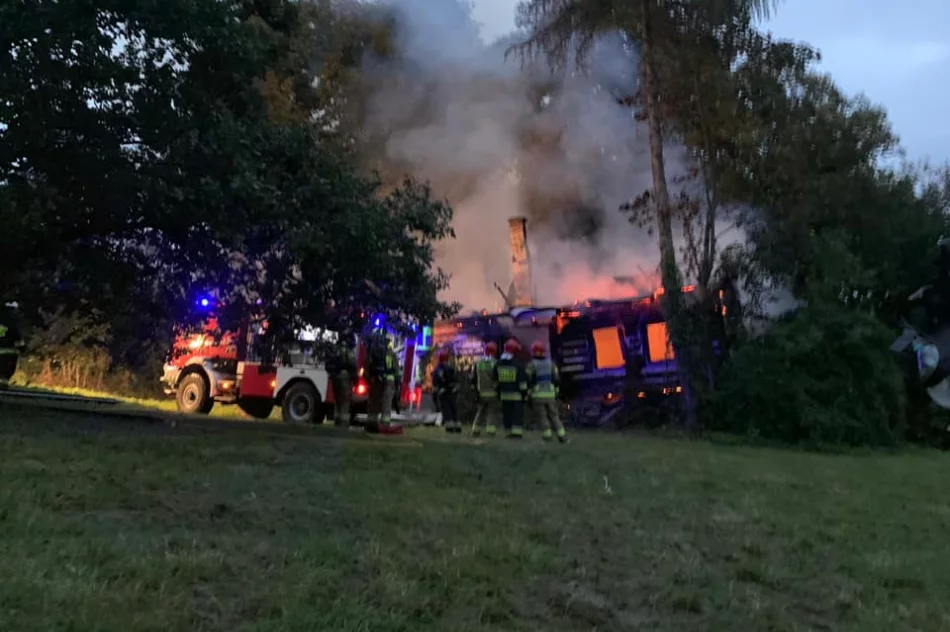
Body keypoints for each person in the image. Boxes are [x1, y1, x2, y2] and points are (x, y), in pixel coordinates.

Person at [527, 340, 568, 443]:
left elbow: (528, 380)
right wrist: (556, 391)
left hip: (537, 396)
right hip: (550, 395)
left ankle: (547, 438)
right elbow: (557, 379)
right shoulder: (551, 364)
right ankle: (562, 437)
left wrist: (527, 394)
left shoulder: (531, 365)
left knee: (542, 417)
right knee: (554, 416)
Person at [493, 338, 528, 438]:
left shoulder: (498, 363)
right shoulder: (518, 364)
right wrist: (524, 394)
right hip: (516, 396)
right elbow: (522, 382)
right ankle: (516, 433)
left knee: (507, 415)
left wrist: (498, 393)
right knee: (517, 415)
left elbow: (495, 381)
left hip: (504, 395)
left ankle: (508, 433)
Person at [327, 333, 358, 426]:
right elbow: (352, 364)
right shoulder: (348, 350)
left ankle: (337, 420)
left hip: (335, 376)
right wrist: (355, 377)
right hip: (344, 376)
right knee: (345, 400)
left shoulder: (335, 348)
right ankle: (343, 422)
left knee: (338, 400)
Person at [471, 341, 500, 437]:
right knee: (492, 412)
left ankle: (475, 429)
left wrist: (475, 392)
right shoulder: (495, 363)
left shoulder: (478, 363)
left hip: (481, 393)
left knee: (480, 412)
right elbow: (497, 379)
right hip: (492, 393)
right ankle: (490, 431)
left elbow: (473, 378)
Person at [432, 348, 461, 433]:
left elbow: (435, 382)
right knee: (453, 408)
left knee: (446, 410)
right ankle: (457, 425)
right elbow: (455, 380)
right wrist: (455, 388)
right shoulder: (451, 368)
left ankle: (450, 427)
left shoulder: (437, 369)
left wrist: (436, 391)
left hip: (442, 392)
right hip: (452, 391)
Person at [0, 304, 21, 386]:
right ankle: (4, 382)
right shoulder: (12, 327)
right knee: (7, 371)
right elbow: (18, 341)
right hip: (10, 354)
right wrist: (22, 349)